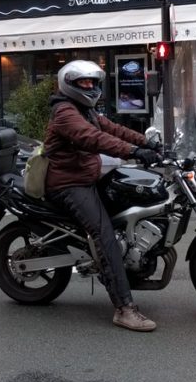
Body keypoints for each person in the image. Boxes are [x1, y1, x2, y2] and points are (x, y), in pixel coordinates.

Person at [43, 60, 163, 332]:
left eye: (92, 82)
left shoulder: (86, 110)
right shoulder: (65, 112)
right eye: (82, 83)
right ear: (68, 85)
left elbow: (113, 129)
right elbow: (93, 138)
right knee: (104, 234)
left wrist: (147, 143)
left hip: (87, 177)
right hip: (68, 184)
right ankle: (124, 309)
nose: (89, 86)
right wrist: (133, 152)